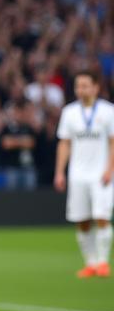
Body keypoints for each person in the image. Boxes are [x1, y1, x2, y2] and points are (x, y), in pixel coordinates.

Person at [54, 69, 114, 278]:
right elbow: (64, 143)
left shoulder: (108, 111)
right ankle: (90, 263)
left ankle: (103, 262)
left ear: (96, 87)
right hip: (77, 173)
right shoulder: (69, 112)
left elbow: (113, 143)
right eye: (78, 86)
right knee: (81, 220)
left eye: (85, 85)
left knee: (102, 216)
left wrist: (109, 169)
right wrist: (59, 172)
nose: (81, 90)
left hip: (101, 173)